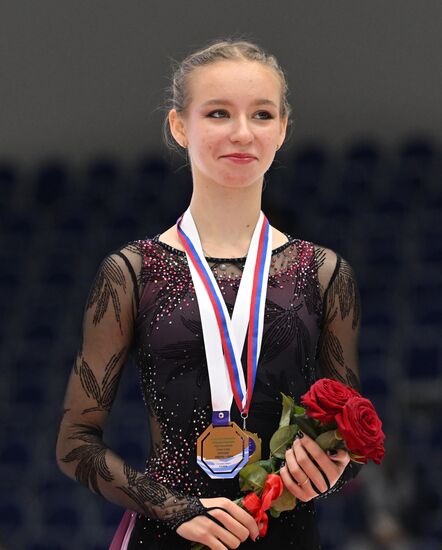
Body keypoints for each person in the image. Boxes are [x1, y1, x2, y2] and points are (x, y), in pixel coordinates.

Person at [56, 37, 363, 549]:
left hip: (286, 535)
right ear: (179, 126)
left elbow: (350, 434)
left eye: (262, 115)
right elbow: (74, 444)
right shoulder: (131, 272)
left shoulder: (324, 272)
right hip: (170, 536)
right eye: (218, 113)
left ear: (283, 129)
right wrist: (176, 509)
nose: (242, 133)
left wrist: (334, 465)